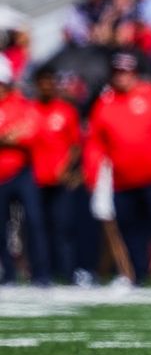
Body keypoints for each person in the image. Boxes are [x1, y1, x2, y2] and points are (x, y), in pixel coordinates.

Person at [83, 52, 151, 285]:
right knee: (131, 230)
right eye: (117, 72)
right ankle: (136, 275)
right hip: (123, 179)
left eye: (126, 72)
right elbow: (96, 142)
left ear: (134, 73)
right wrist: (93, 174)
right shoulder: (105, 103)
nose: (122, 77)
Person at [31, 65, 82, 282]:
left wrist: (68, 167)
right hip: (34, 180)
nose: (46, 86)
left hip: (59, 179)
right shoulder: (29, 109)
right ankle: (42, 273)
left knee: (63, 226)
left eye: (50, 81)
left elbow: (76, 145)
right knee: (37, 227)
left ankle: (68, 272)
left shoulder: (66, 110)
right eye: (42, 82)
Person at [0, 55, 48, 285]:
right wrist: (9, 135)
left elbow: (31, 132)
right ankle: (7, 274)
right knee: (1, 227)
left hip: (21, 171)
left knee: (34, 222)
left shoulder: (21, 104)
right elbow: (16, 133)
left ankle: (41, 274)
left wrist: (8, 137)